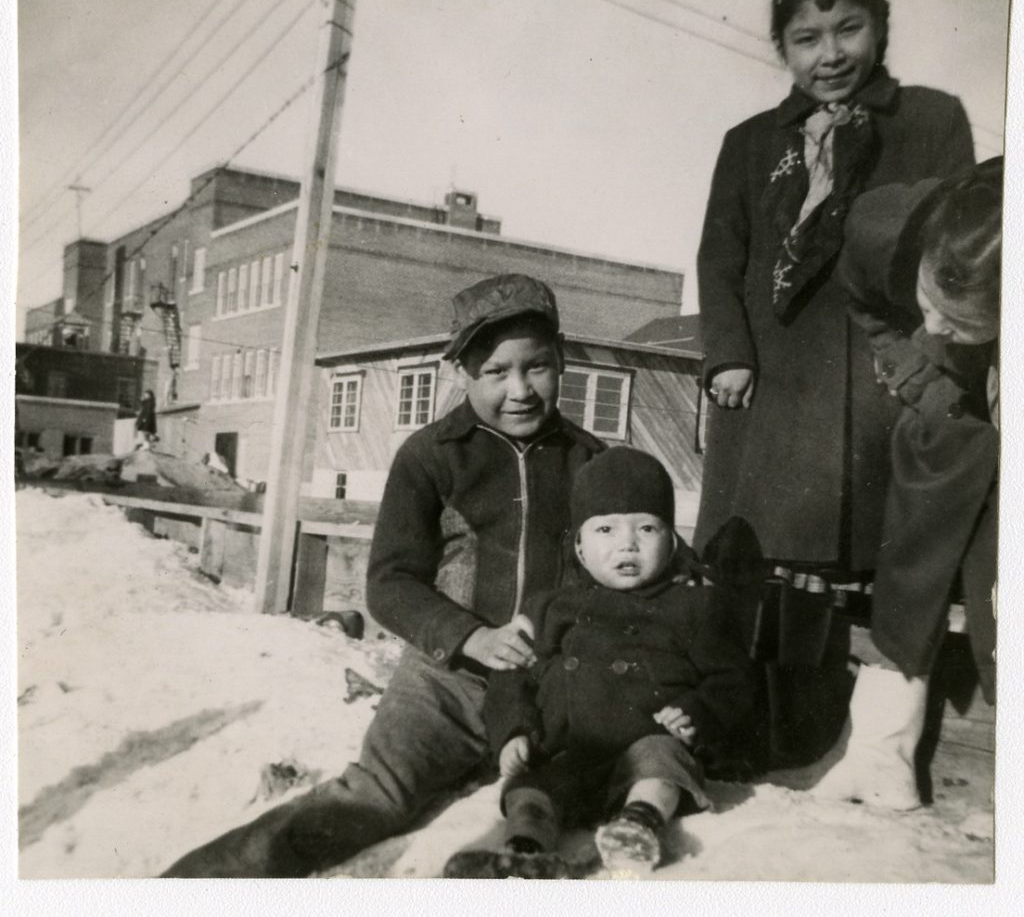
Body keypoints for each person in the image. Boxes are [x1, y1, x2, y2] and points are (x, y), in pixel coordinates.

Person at [161, 274, 604, 877]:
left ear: (562, 362)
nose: (520, 389)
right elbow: (391, 583)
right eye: (496, 372)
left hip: (548, 686)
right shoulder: (430, 455)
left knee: (590, 797)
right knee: (377, 798)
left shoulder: (593, 462)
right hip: (447, 684)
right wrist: (472, 637)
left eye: (538, 367)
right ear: (463, 374)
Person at [693, 0, 977, 766]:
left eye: (849, 29)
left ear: (880, 32)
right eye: (807, 38)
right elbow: (720, 259)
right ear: (781, 48)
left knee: (877, 554)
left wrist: (932, 363)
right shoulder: (750, 142)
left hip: (881, 378)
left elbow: (959, 248)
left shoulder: (929, 119)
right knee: (762, 559)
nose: (831, 54)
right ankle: (745, 731)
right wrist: (729, 353)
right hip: (773, 381)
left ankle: (871, 748)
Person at [448, 448, 754, 877]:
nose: (627, 543)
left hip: (646, 745)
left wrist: (697, 712)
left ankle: (638, 825)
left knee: (660, 764)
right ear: (579, 545)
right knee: (529, 791)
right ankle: (524, 851)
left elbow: (732, 679)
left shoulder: (693, 607)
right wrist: (514, 732)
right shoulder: (551, 607)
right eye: (606, 529)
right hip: (568, 753)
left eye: (647, 528)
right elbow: (513, 678)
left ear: (671, 540)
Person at [815, 159, 1000, 809]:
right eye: (931, 305)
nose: (942, 326)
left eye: (965, 322)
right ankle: (877, 754)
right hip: (945, 399)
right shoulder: (884, 229)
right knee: (912, 561)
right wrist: (914, 367)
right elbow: (867, 302)